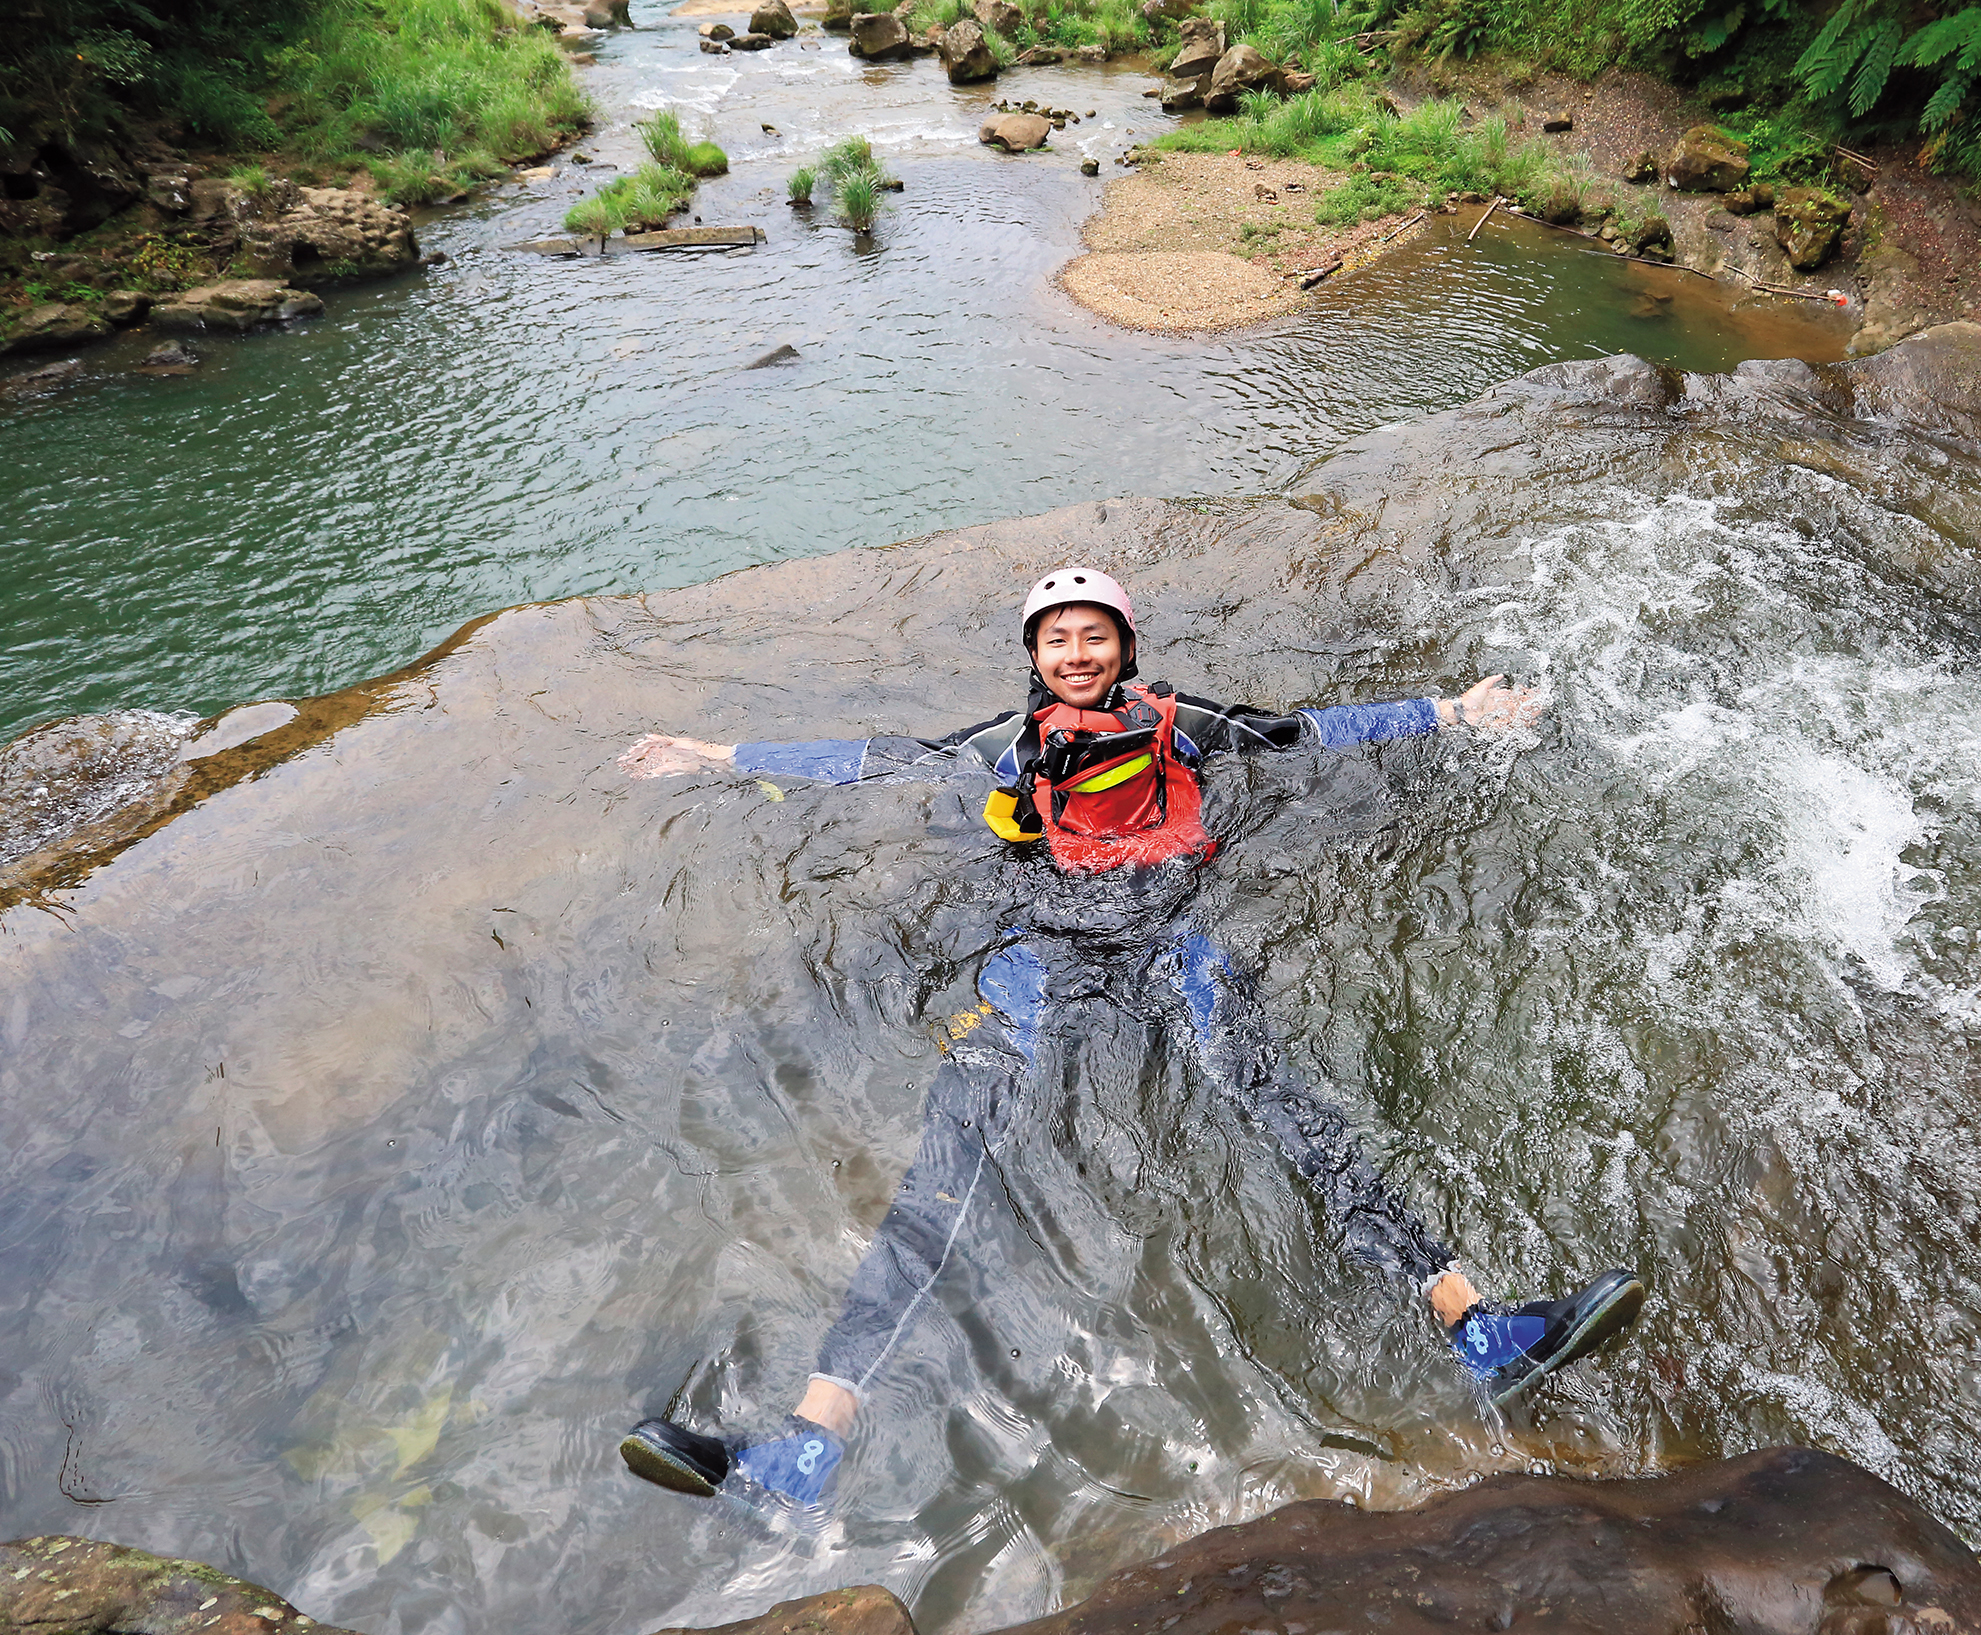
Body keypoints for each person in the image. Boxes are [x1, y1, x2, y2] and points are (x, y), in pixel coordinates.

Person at [614, 567, 1646, 1514]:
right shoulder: (1005, 747)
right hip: (1041, 957)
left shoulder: (1180, 724)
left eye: (1093, 634)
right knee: (948, 1158)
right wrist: (711, 754)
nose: (1075, 652)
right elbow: (872, 759)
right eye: (1056, 637)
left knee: (1288, 1106)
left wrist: (1452, 711)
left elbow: (1305, 731)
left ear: (1123, 645)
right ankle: (809, 1444)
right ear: (1033, 655)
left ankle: (1477, 1325)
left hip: (1167, 943)